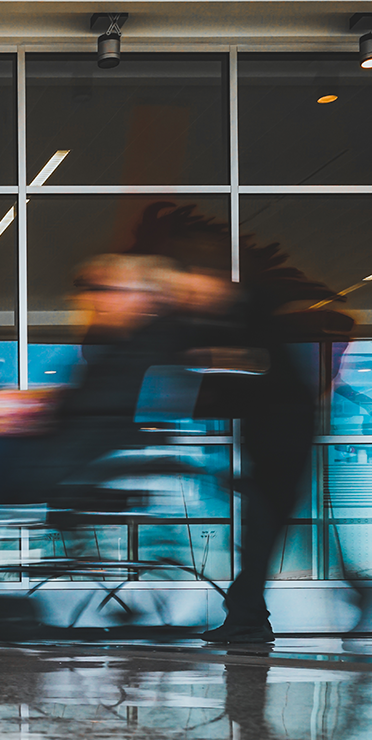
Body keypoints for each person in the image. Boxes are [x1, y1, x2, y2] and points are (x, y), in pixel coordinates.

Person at [0, 253, 194, 611]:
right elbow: (89, 403)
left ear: (142, 296)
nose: (96, 298)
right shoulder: (125, 343)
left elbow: (94, 407)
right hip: (75, 452)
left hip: (78, 460)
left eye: (108, 290)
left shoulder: (141, 345)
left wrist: (17, 409)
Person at [122, 203, 355, 644]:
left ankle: (250, 617)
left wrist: (208, 364)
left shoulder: (251, 306)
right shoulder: (226, 312)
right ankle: (256, 613)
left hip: (284, 430)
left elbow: (258, 368)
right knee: (269, 527)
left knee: (266, 527)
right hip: (267, 430)